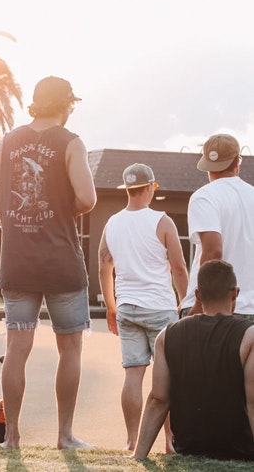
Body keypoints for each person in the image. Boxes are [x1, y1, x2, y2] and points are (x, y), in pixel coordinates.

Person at [0, 76, 96, 449]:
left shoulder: (8, 140)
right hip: (61, 261)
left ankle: (12, 436)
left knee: (17, 347)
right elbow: (88, 198)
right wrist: (61, 211)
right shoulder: (71, 142)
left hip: (17, 261)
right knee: (71, 348)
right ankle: (64, 435)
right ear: (66, 105)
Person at [98, 163, 188, 452]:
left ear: (127, 190)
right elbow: (178, 267)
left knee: (133, 374)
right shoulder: (162, 221)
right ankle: (169, 441)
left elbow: (103, 267)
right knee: (167, 378)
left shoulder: (111, 223)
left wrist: (112, 307)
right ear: (149, 188)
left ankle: (132, 440)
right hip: (160, 308)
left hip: (127, 307)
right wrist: (185, 303)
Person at [134, 259, 254, 460]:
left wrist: (138, 456)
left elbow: (158, 399)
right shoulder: (249, 336)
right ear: (235, 293)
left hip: (189, 447)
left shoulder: (166, 335)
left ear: (197, 295)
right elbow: (253, 402)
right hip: (238, 448)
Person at [179, 134, 254, 320]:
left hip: (213, 309)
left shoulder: (204, 197)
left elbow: (213, 252)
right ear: (238, 160)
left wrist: (198, 304)